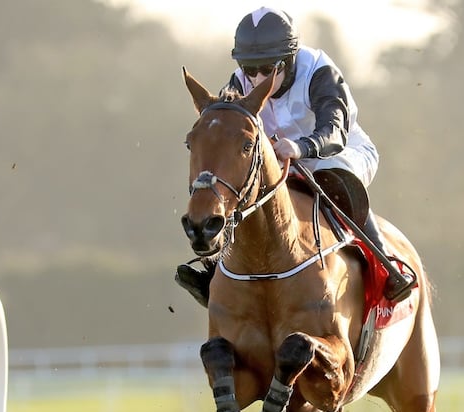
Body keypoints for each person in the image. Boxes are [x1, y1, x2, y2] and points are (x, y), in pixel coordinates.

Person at [176, 6, 416, 306]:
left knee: (331, 174)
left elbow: (335, 131)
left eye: (266, 69)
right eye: (250, 70)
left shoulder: (319, 71)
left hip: (338, 152)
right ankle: (216, 271)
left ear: (288, 60)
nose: (256, 78)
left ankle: (385, 267)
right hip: (279, 160)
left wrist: (299, 147)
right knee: (243, 188)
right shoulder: (239, 82)